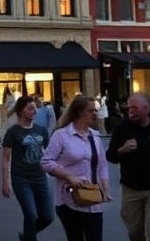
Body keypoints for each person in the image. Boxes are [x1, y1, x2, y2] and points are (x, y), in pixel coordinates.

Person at [41, 94, 110, 241]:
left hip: (93, 198)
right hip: (70, 199)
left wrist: (105, 188)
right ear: (80, 112)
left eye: (95, 110)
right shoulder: (61, 135)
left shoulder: (95, 136)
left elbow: (102, 165)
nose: (95, 114)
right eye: (91, 111)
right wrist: (68, 176)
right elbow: (46, 161)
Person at [105, 93, 150, 241]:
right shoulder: (122, 129)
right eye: (129, 107)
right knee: (134, 231)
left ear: (146, 108)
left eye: (135, 108)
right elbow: (110, 156)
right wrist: (122, 150)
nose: (131, 111)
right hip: (131, 187)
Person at [1, 95, 54, 241]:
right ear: (20, 111)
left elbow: (50, 152)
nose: (34, 111)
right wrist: (6, 181)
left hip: (40, 178)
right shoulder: (13, 132)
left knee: (48, 217)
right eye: (30, 109)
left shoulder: (41, 130)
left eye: (35, 108)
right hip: (21, 179)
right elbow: (6, 158)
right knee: (30, 214)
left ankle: (28, 236)